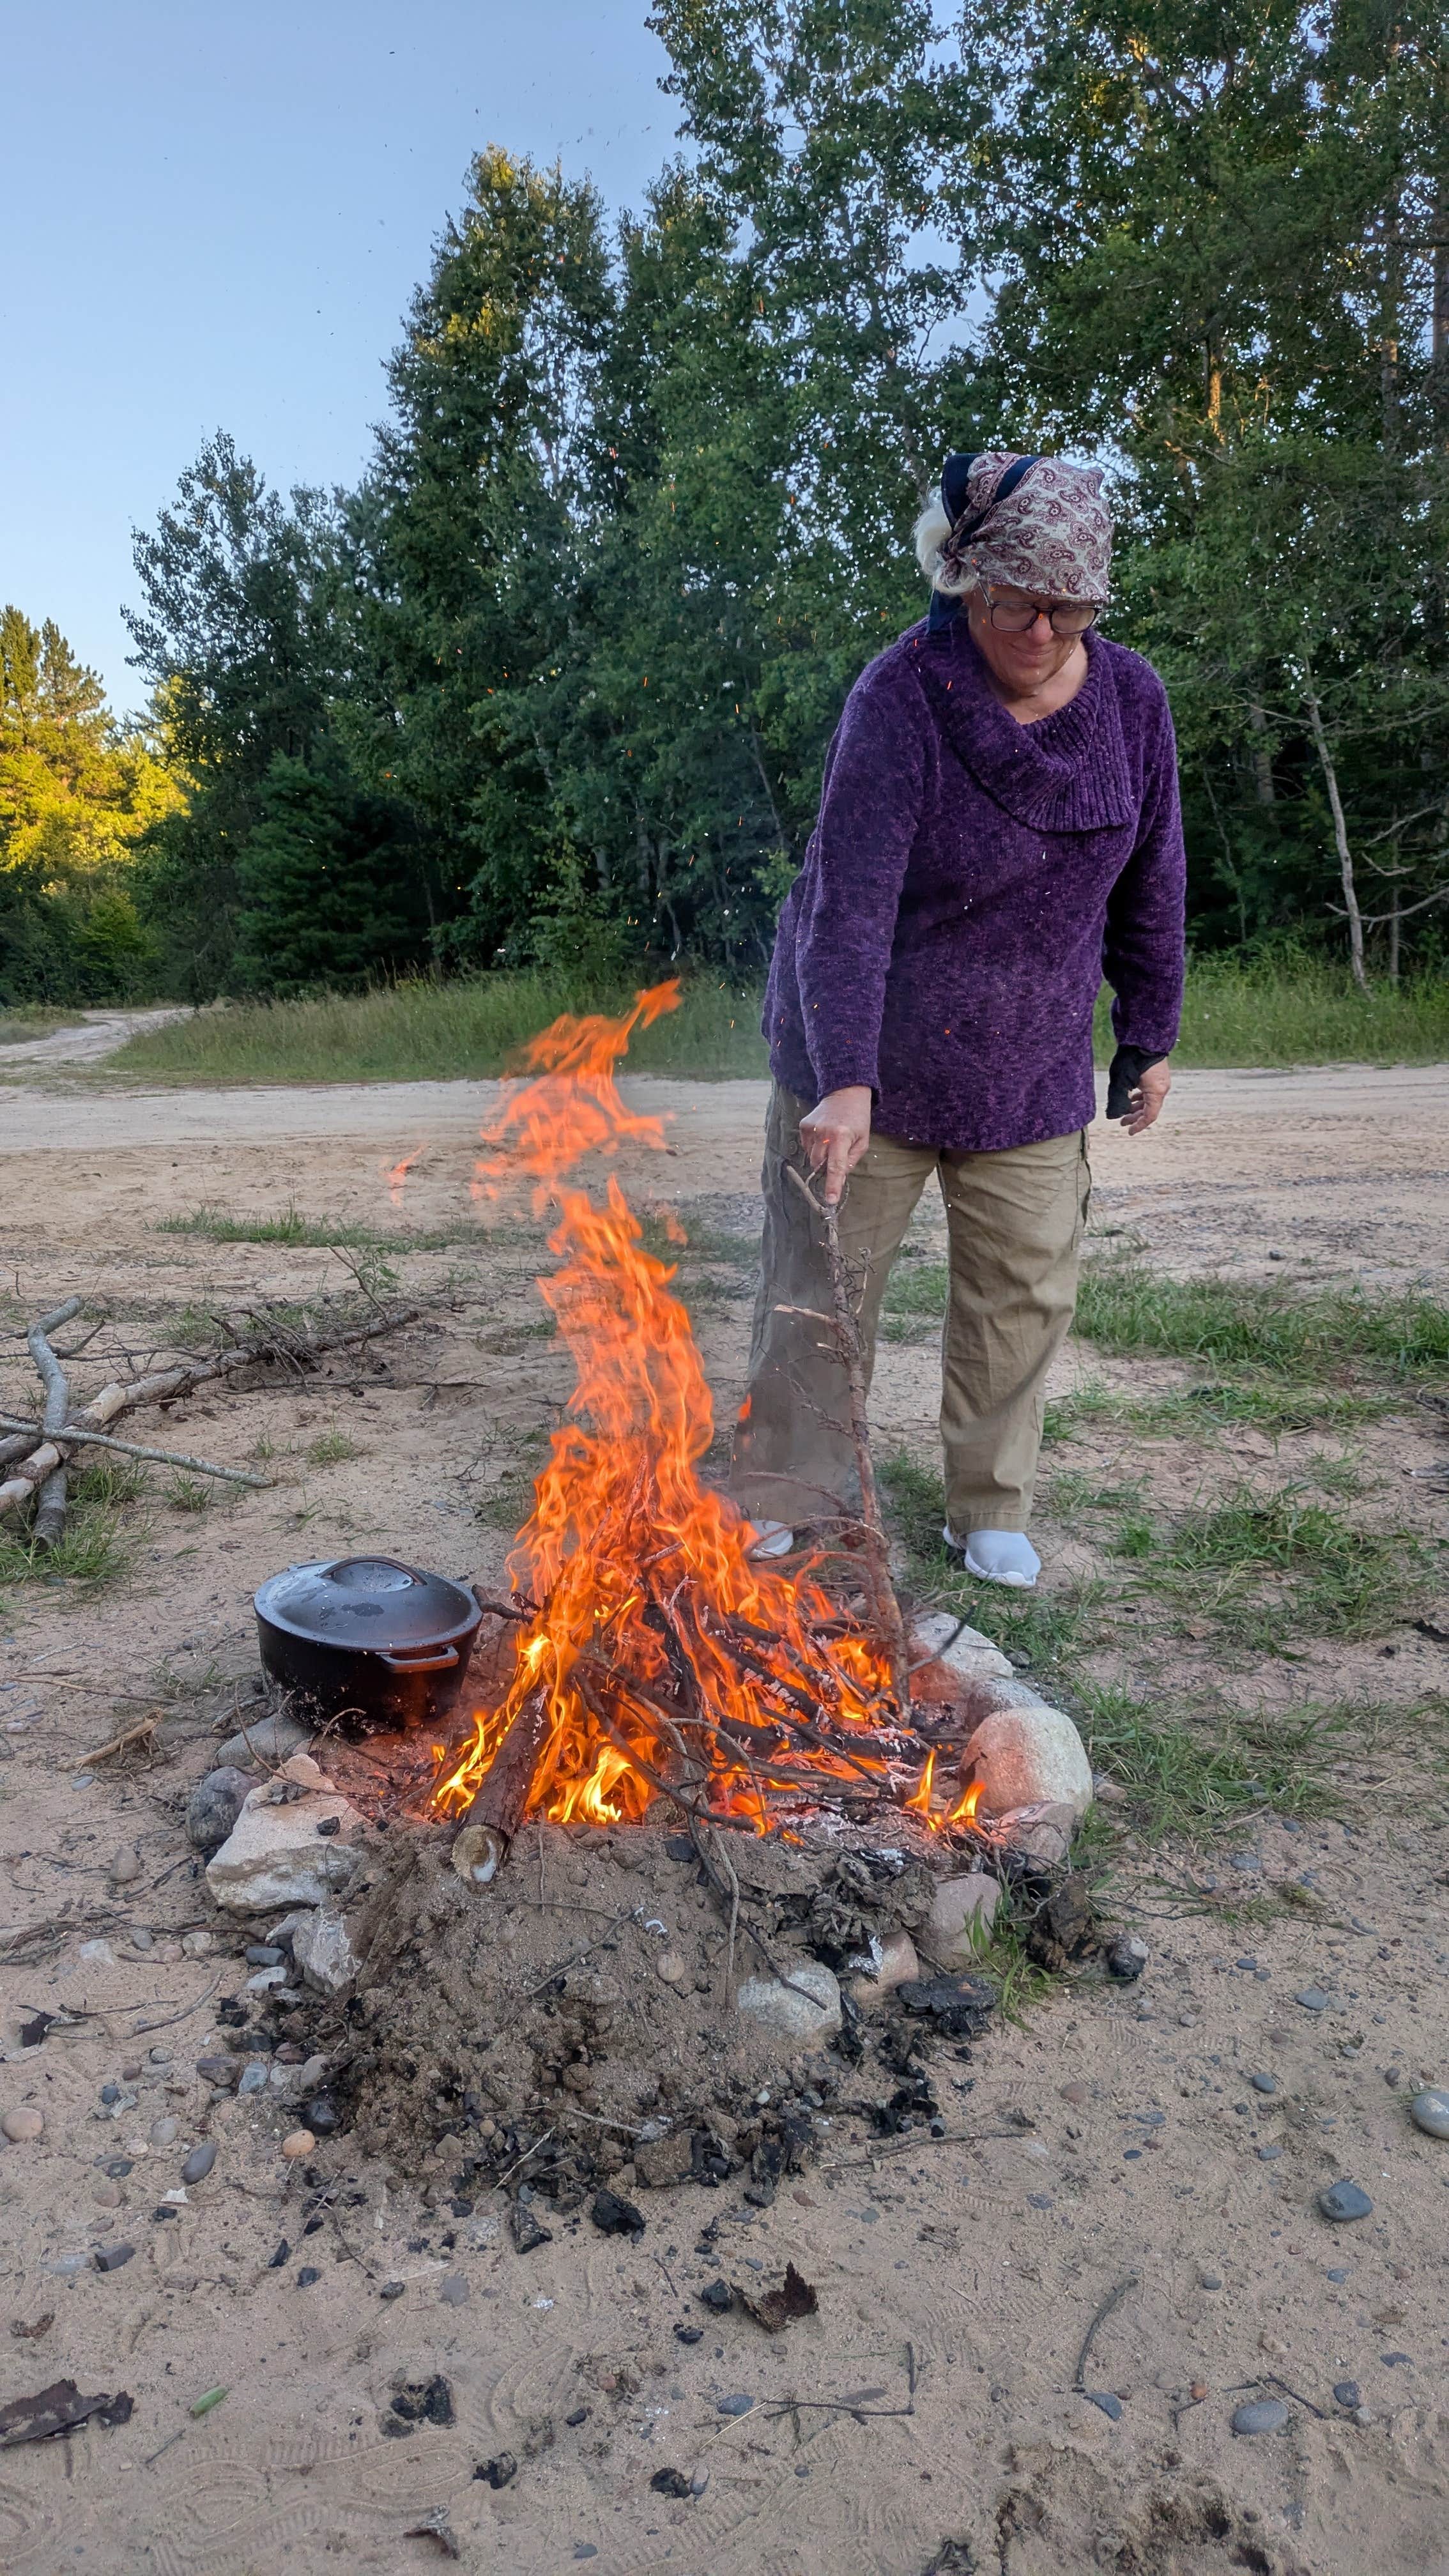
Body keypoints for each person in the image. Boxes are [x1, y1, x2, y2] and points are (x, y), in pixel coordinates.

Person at [730, 448, 1186, 1588]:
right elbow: (848, 899)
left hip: (1026, 1058)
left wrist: (1150, 1033)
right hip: (867, 1052)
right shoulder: (900, 696)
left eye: (1066, 608)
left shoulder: (1132, 702)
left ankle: (988, 1502)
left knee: (1023, 1289)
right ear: (962, 580)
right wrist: (842, 1075)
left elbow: (1154, 877)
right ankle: (791, 1485)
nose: (1040, 628)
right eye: (1013, 602)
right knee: (818, 1280)